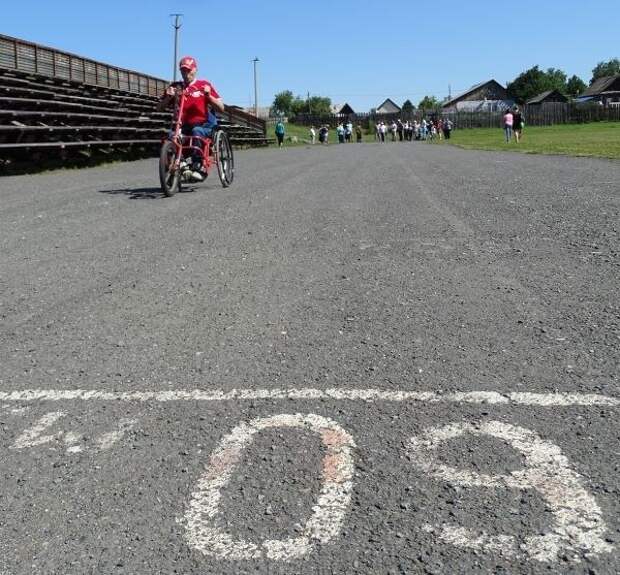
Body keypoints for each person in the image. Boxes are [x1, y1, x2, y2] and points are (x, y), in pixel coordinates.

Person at [158, 56, 225, 181]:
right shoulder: (175, 87)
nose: (186, 73)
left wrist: (209, 96)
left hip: (202, 125)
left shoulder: (204, 85)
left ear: (195, 70)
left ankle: (197, 164)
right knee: (171, 136)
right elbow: (159, 108)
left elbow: (221, 108)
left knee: (197, 132)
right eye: (183, 70)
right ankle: (180, 164)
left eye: (188, 70)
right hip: (182, 126)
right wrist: (168, 97)